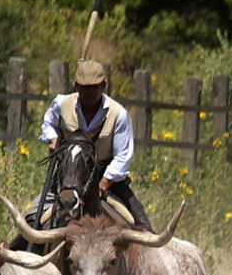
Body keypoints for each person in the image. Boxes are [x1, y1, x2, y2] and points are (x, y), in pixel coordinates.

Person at [29, 59, 153, 233]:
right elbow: (49, 123)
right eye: (84, 87)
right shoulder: (62, 104)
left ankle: (152, 246)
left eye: (94, 87)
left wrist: (105, 182)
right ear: (76, 86)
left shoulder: (118, 114)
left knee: (140, 223)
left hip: (106, 176)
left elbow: (123, 155)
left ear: (103, 86)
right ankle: (17, 252)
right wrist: (53, 138)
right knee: (33, 219)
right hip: (69, 174)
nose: (89, 92)